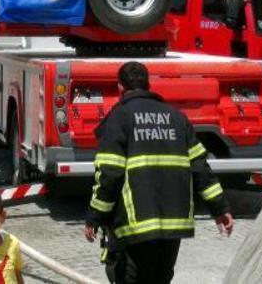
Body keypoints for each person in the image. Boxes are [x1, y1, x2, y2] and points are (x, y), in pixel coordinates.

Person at [84, 61, 235, 284]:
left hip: (136, 225)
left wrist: (95, 217)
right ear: (148, 84)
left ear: (120, 88)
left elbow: (110, 173)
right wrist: (220, 208)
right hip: (174, 224)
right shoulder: (176, 117)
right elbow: (201, 167)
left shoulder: (120, 118)